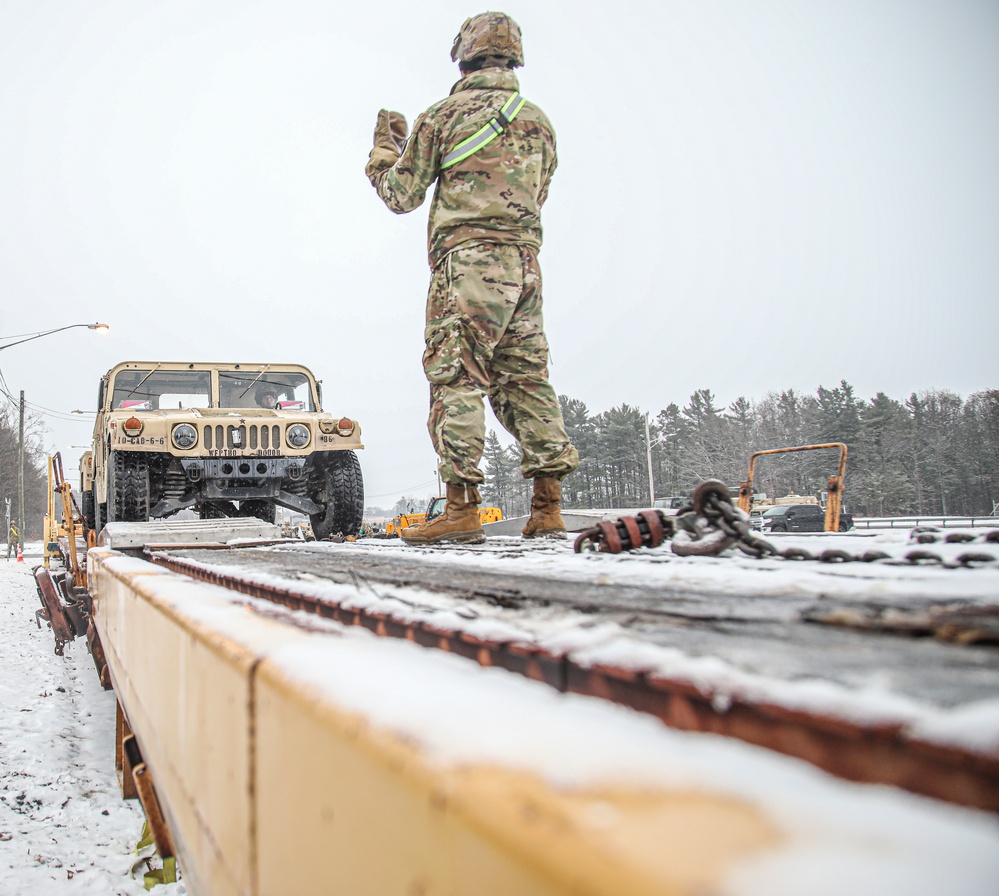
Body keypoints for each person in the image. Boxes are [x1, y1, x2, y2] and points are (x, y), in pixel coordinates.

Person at [365, 11, 578, 545]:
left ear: (464, 54)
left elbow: (401, 196)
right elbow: (539, 194)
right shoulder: (538, 120)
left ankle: (460, 508)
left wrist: (383, 155)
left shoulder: (442, 117)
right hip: (526, 266)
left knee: (456, 375)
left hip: (468, 265)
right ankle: (548, 508)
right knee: (527, 379)